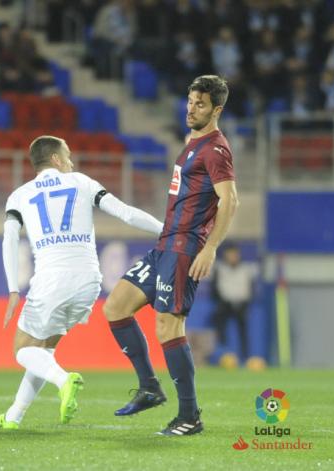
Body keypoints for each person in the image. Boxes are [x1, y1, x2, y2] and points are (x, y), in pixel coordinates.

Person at [103, 75, 239, 436]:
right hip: (165, 243)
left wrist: (210, 248)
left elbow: (231, 200)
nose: (191, 109)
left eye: (200, 104)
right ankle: (149, 387)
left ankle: (190, 416)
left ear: (217, 110)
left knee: (168, 325)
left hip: (186, 246)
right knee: (116, 307)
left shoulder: (215, 149)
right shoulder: (192, 143)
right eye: (190, 101)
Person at [0, 135, 164, 429]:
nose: (71, 161)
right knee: (44, 349)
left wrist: (13, 288)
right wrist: (166, 231)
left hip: (51, 279)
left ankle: (65, 380)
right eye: (68, 155)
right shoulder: (81, 181)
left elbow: (10, 239)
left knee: (22, 349)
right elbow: (125, 213)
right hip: (89, 281)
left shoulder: (19, 195)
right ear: (56, 160)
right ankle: (14, 416)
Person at [211, 242, 256, 362]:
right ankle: (224, 355)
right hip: (225, 304)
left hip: (242, 304)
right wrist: (222, 300)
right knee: (221, 328)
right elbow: (214, 288)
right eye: (230, 254)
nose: (232, 257)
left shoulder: (246, 269)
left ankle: (246, 357)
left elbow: (250, 288)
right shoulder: (220, 268)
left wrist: (246, 301)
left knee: (243, 331)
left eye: (234, 254)